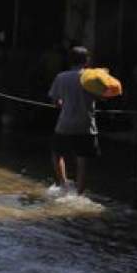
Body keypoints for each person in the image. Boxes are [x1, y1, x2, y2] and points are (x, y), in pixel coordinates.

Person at [48, 46, 99, 195]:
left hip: (65, 124)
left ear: (69, 60)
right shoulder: (92, 77)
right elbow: (100, 97)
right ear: (86, 61)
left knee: (57, 154)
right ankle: (79, 193)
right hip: (86, 125)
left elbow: (55, 101)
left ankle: (63, 184)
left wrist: (63, 104)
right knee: (82, 159)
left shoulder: (61, 77)